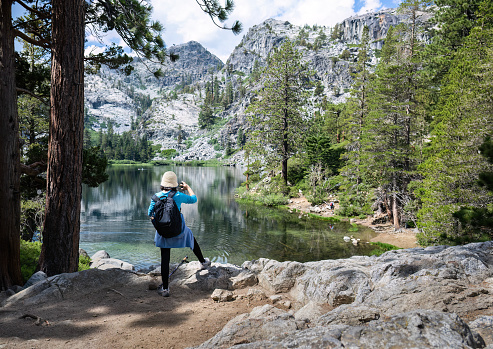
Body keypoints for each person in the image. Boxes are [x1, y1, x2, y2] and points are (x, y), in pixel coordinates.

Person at [148, 171, 210, 297]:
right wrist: (188, 188)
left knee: (165, 259)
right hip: (179, 231)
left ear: (163, 183)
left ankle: (165, 289)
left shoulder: (156, 197)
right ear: (174, 184)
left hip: (163, 233)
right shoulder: (178, 195)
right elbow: (194, 199)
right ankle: (203, 262)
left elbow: (150, 214)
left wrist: (159, 226)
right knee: (191, 239)